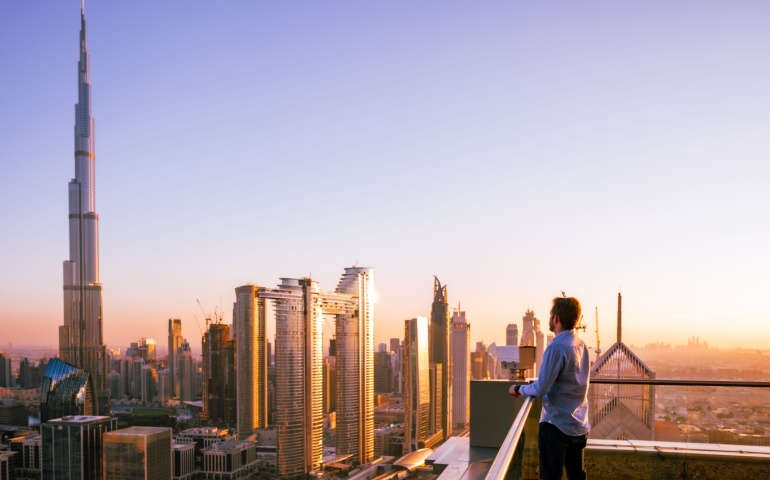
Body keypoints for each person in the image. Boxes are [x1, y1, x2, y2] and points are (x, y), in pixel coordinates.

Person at [509, 296, 590, 480]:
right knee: (577, 475)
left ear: (556, 318)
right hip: (579, 424)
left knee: (550, 476)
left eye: (551, 313)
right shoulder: (581, 345)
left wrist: (519, 389)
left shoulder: (556, 348)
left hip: (556, 426)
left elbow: (540, 388)